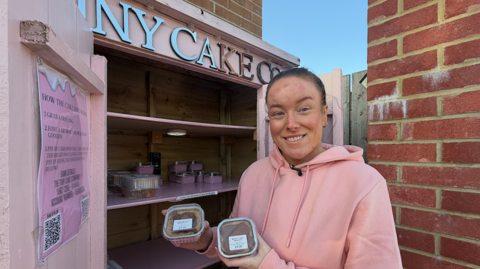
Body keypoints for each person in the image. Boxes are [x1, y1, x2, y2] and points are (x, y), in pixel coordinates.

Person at [163, 67, 402, 269]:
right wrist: (206, 240)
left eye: (303, 109)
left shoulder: (364, 184)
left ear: (323, 114)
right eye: (278, 113)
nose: (291, 124)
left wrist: (267, 263)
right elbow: (240, 240)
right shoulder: (253, 174)